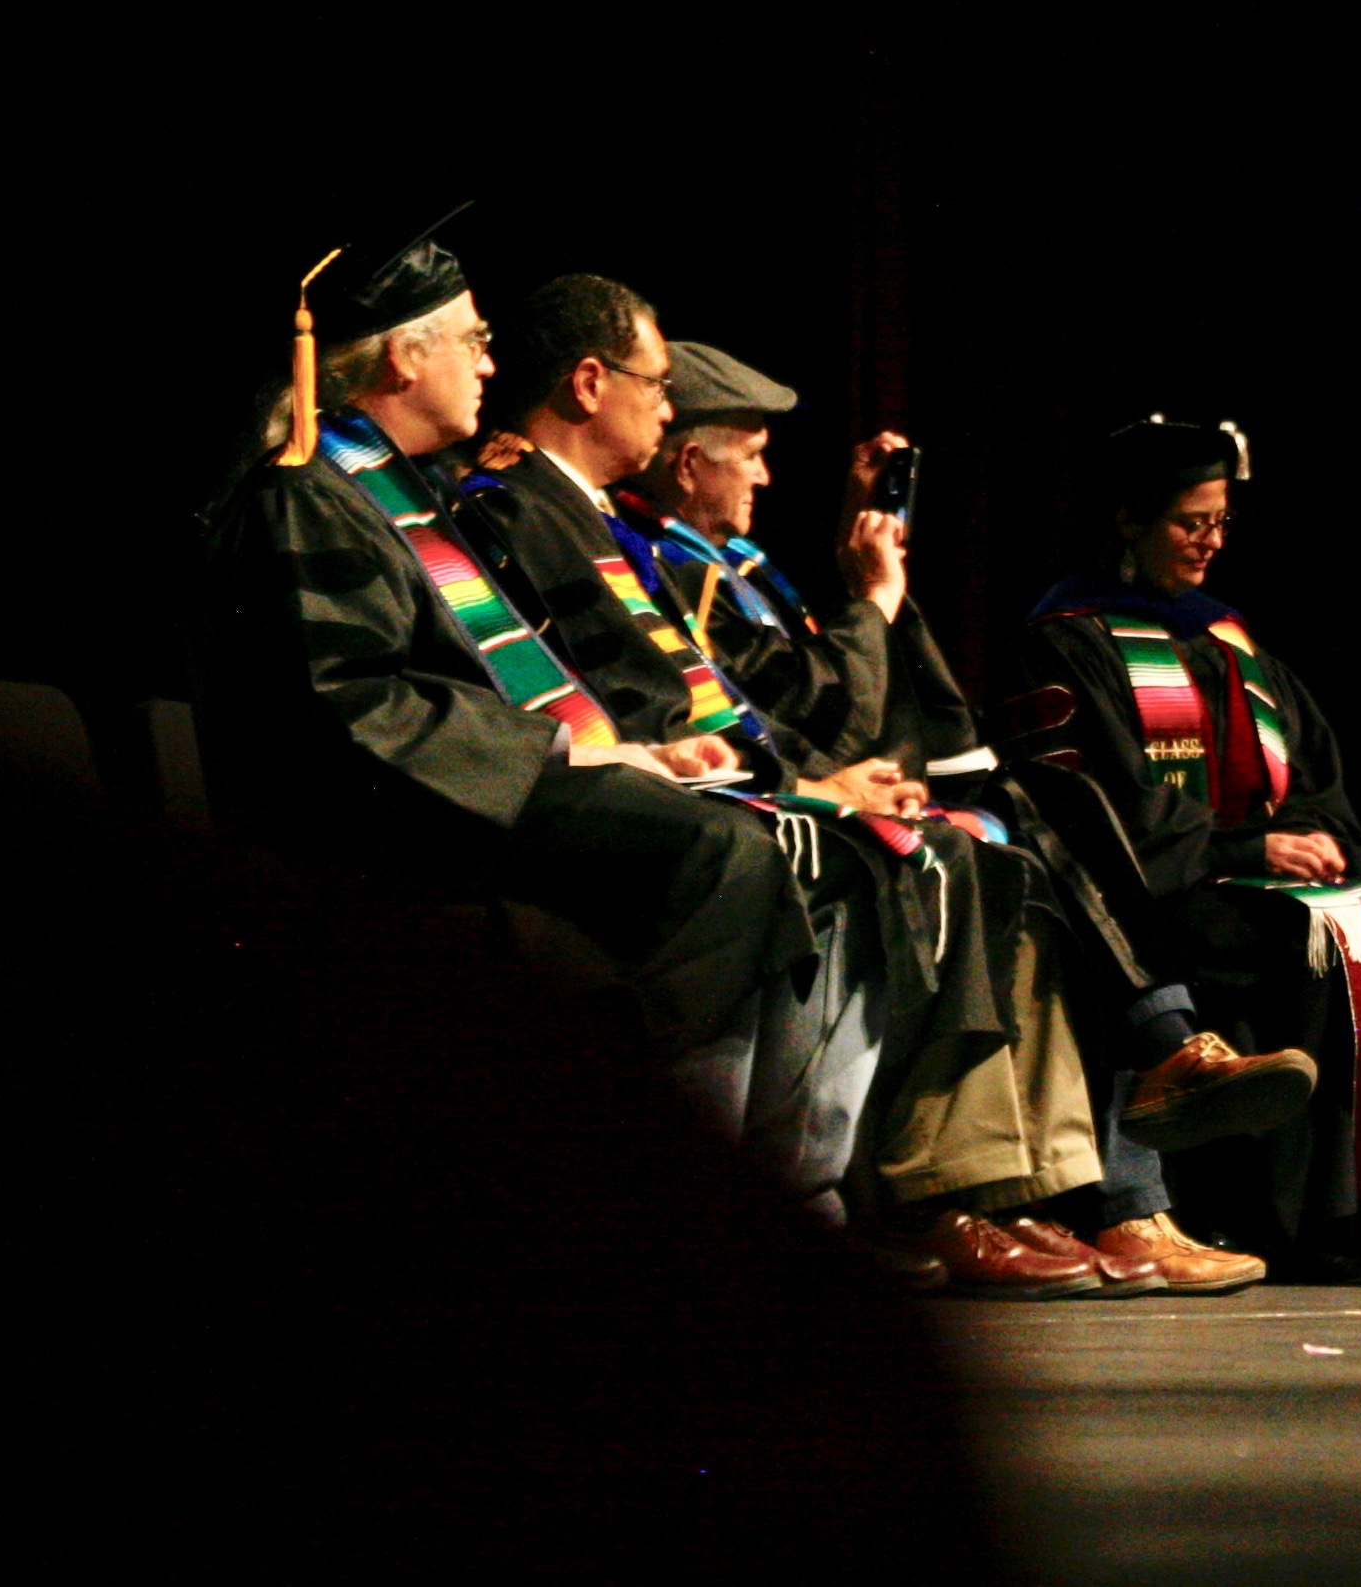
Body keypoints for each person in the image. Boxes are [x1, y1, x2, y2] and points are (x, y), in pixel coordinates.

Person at [459, 278, 1214, 1297]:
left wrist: (852, 682)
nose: (669, 407)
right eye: (662, 392)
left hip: (714, 785)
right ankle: (893, 1196)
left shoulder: (634, 535)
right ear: (597, 386)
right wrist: (841, 690)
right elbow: (731, 708)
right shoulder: (540, 517)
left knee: (1001, 834)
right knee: (938, 852)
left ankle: (1047, 1184)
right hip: (614, 810)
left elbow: (751, 708)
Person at [194, 212, 868, 1241]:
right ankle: (676, 1211)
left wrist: (619, 749)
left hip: (457, 788)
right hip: (377, 819)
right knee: (716, 850)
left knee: (776, 838)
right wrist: (562, 754)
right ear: (401, 357)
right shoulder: (308, 495)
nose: (491, 361)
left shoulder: (400, 492)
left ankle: (770, 1200)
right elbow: (354, 700)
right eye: (470, 338)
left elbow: (491, 684)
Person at [619, 343, 1311, 1295]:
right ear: (690, 462)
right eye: (751, 452)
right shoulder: (658, 564)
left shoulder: (728, 560)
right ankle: (1119, 1139)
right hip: (766, 801)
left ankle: (1118, 1179)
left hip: (849, 783)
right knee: (1034, 829)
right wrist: (867, 620)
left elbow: (814, 682)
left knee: (1040, 832)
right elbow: (802, 705)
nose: (768, 474)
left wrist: (867, 559)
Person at [1016, 416, 1361, 1283]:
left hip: (1244, 874)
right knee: (1291, 942)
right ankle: (1258, 1215)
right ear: (1129, 521)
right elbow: (1090, 806)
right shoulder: (1068, 640)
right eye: (1190, 523)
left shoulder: (1229, 639)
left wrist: (1318, 836)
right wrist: (1254, 847)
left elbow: (1313, 770)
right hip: (1148, 896)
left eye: (1221, 523)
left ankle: (1348, 1214)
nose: (1210, 543)